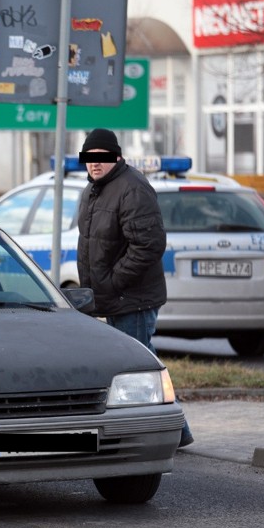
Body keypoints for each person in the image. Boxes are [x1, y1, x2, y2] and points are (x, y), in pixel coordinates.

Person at [76, 128, 194, 448]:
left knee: (140, 368)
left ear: (117, 156)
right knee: (140, 367)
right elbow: (90, 245)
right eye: (89, 158)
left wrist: (114, 283)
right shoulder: (92, 192)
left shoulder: (132, 188)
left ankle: (174, 431)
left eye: (102, 158)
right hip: (110, 297)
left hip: (132, 297)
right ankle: (175, 430)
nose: (95, 164)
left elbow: (148, 245)